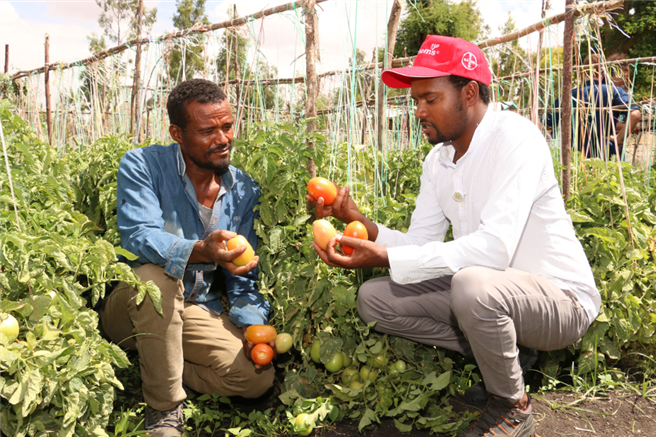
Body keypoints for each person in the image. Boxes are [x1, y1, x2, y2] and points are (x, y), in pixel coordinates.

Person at [308, 35, 600, 437]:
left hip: (559, 300)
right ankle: (506, 356)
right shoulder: (439, 160)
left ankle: (511, 406)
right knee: (373, 299)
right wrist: (362, 224)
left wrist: (390, 259)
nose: (419, 111)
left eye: (430, 99)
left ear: (469, 92)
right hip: (489, 289)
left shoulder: (516, 139)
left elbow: (495, 249)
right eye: (415, 102)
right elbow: (419, 242)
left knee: (471, 286)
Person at [100, 79, 275, 437]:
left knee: (254, 379)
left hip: (195, 308)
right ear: (177, 133)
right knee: (157, 278)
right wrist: (201, 250)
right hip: (133, 306)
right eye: (208, 130)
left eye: (227, 126)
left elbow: (243, 273)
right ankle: (164, 410)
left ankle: (158, 366)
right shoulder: (143, 165)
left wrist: (252, 324)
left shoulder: (243, 189)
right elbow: (140, 235)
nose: (223, 138)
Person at [546, 53, 640, 159]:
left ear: (581, 72)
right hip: (607, 155)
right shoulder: (614, 91)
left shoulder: (567, 96)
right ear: (604, 73)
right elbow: (635, 114)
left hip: (576, 157)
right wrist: (620, 138)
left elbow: (545, 123)